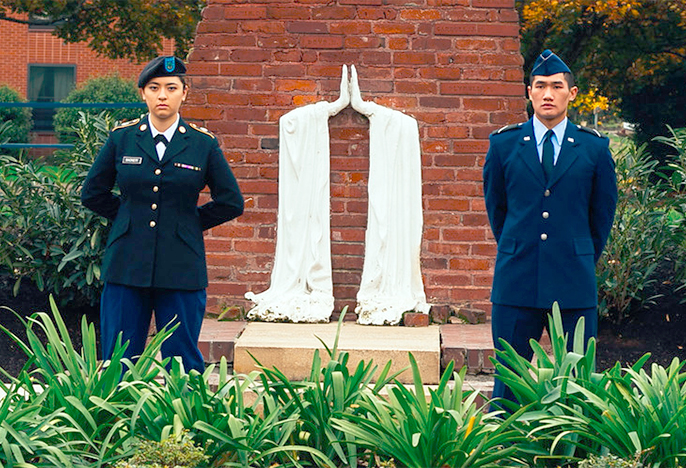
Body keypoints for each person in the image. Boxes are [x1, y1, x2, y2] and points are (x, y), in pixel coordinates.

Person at [81, 56, 244, 372]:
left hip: (181, 263)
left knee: (182, 361)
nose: (162, 95)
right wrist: (129, 217)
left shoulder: (202, 144)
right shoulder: (122, 138)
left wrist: (188, 223)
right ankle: (116, 418)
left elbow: (231, 202)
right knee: (119, 360)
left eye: (171, 87)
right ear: (143, 93)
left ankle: (185, 420)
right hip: (126, 262)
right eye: (154, 87)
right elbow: (92, 194)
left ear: (184, 93)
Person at [483, 50, 617, 405]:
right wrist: (520, 246)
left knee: (578, 382)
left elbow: (601, 216)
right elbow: (497, 210)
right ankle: (504, 451)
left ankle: (575, 457)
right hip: (517, 279)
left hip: (573, 280)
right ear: (529, 92)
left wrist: (579, 254)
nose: (547, 94)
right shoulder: (503, 145)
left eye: (556, 86)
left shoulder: (594, 149)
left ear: (572, 94)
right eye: (540, 85)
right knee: (509, 380)